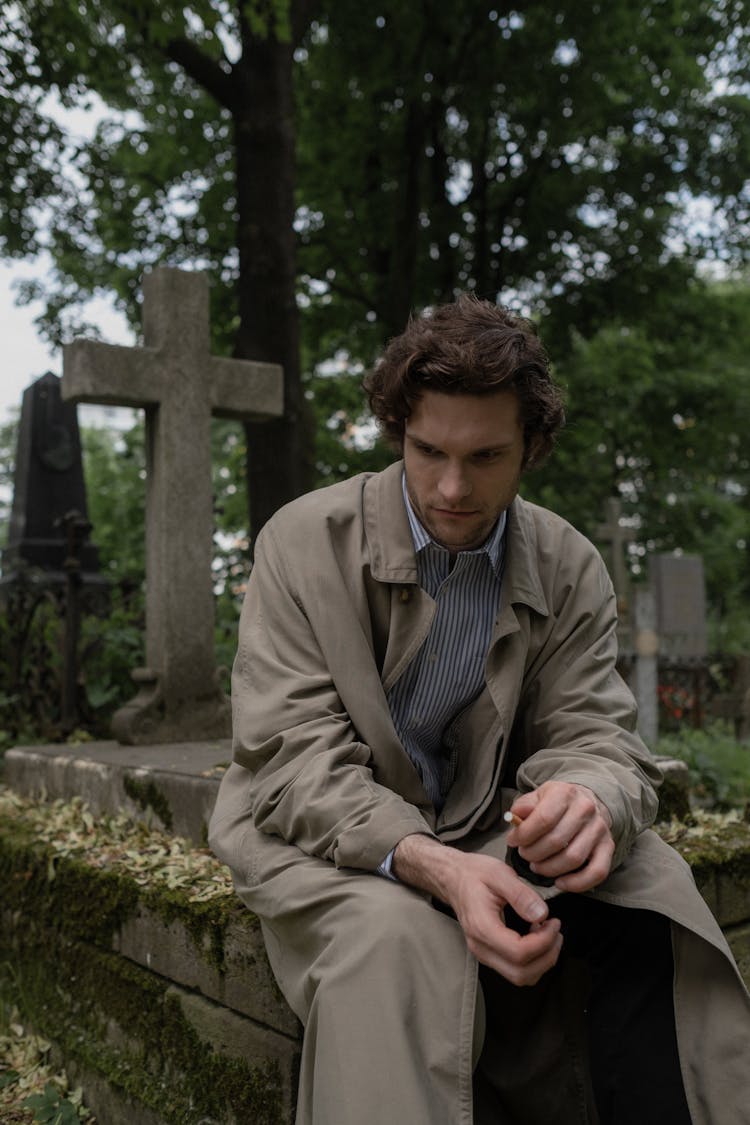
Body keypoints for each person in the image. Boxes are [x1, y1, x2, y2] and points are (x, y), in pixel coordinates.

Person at [209, 296, 750, 1125]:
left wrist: (590, 800)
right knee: (397, 943)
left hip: (491, 825)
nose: (452, 487)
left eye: (487, 456)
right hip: (322, 838)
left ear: (532, 447)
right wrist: (437, 864)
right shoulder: (301, 541)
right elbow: (291, 761)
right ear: (398, 433)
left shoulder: (568, 562)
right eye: (427, 452)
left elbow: (597, 734)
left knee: (651, 885)